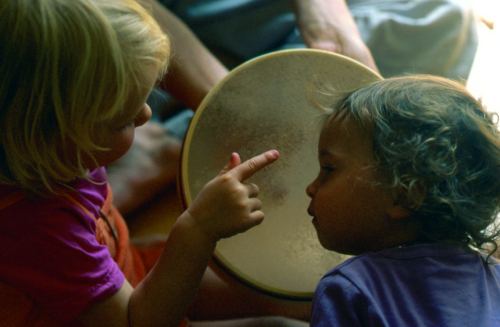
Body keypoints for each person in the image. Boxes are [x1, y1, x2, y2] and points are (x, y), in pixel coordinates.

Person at [0, 0, 309, 326]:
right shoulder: (42, 232)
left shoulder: (50, 158)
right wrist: (199, 228)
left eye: (146, 100)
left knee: (292, 296)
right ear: (50, 134)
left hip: (126, 275)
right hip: (136, 314)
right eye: (125, 120)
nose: (147, 115)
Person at [306, 74, 500, 326]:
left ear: (406, 195)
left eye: (329, 169)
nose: (311, 188)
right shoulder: (495, 278)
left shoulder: (351, 290)